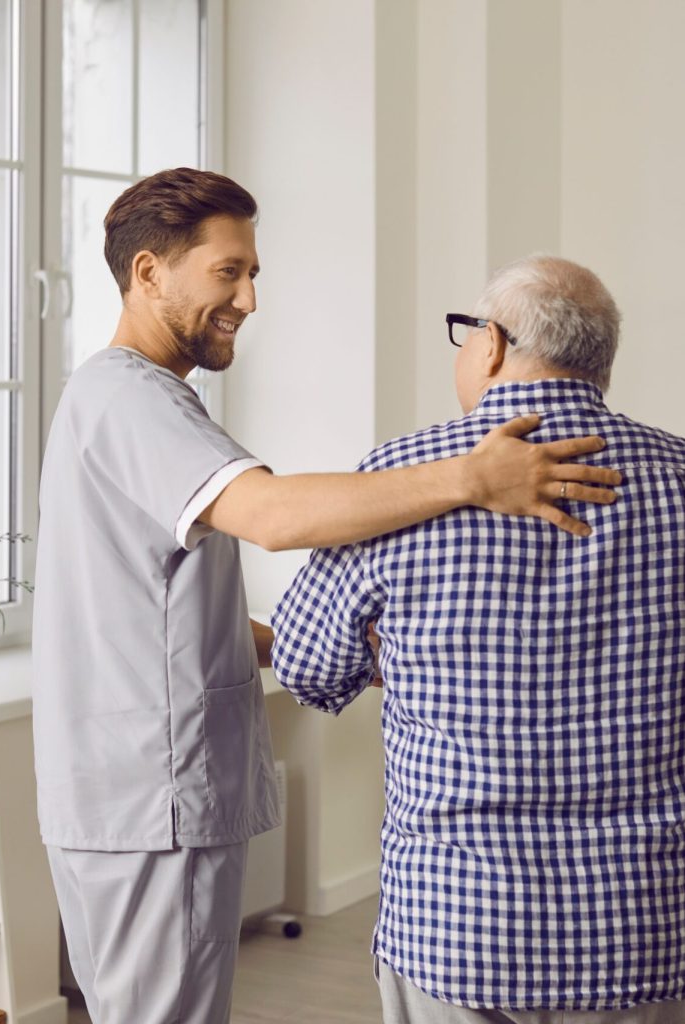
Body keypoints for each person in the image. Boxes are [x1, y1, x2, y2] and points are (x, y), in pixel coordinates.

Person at [31, 171, 619, 1024]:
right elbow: (271, 517)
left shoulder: (138, 400)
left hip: (134, 792)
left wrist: (314, 645)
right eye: (228, 273)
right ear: (150, 272)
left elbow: (146, 606)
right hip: (148, 798)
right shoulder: (127, 398)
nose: (249, 298)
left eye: (253, 274)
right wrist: (472, 476)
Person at [271, 254, 685, 1024]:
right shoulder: (678, 477)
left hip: (459, 926)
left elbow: (305, 667)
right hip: (645, 924)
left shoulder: (402, 478)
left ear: (490, 344)